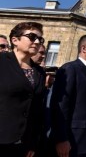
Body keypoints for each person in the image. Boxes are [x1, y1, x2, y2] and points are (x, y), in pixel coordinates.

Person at [50, 34, 86, 157]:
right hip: (72, 140)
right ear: (84, 48)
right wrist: (61, 138)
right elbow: (60, 106)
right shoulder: (70, 69)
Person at [0, 22, 46, 157]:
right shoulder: (2, 62)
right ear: (15, 40)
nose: (37, 42)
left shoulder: (39, 72)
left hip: (23, 144)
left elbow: (37, 110)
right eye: (32, 37)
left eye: (40, 39)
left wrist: (32, 142)